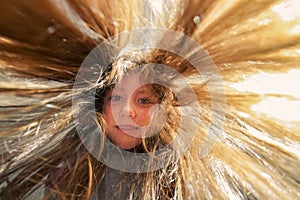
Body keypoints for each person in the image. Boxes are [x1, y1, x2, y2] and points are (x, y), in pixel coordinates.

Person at [0, 0, 299, 199]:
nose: (125, 112)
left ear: (165, 112)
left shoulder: (180, 181)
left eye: (143, 101)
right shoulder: (70, 174)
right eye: (116, 97)